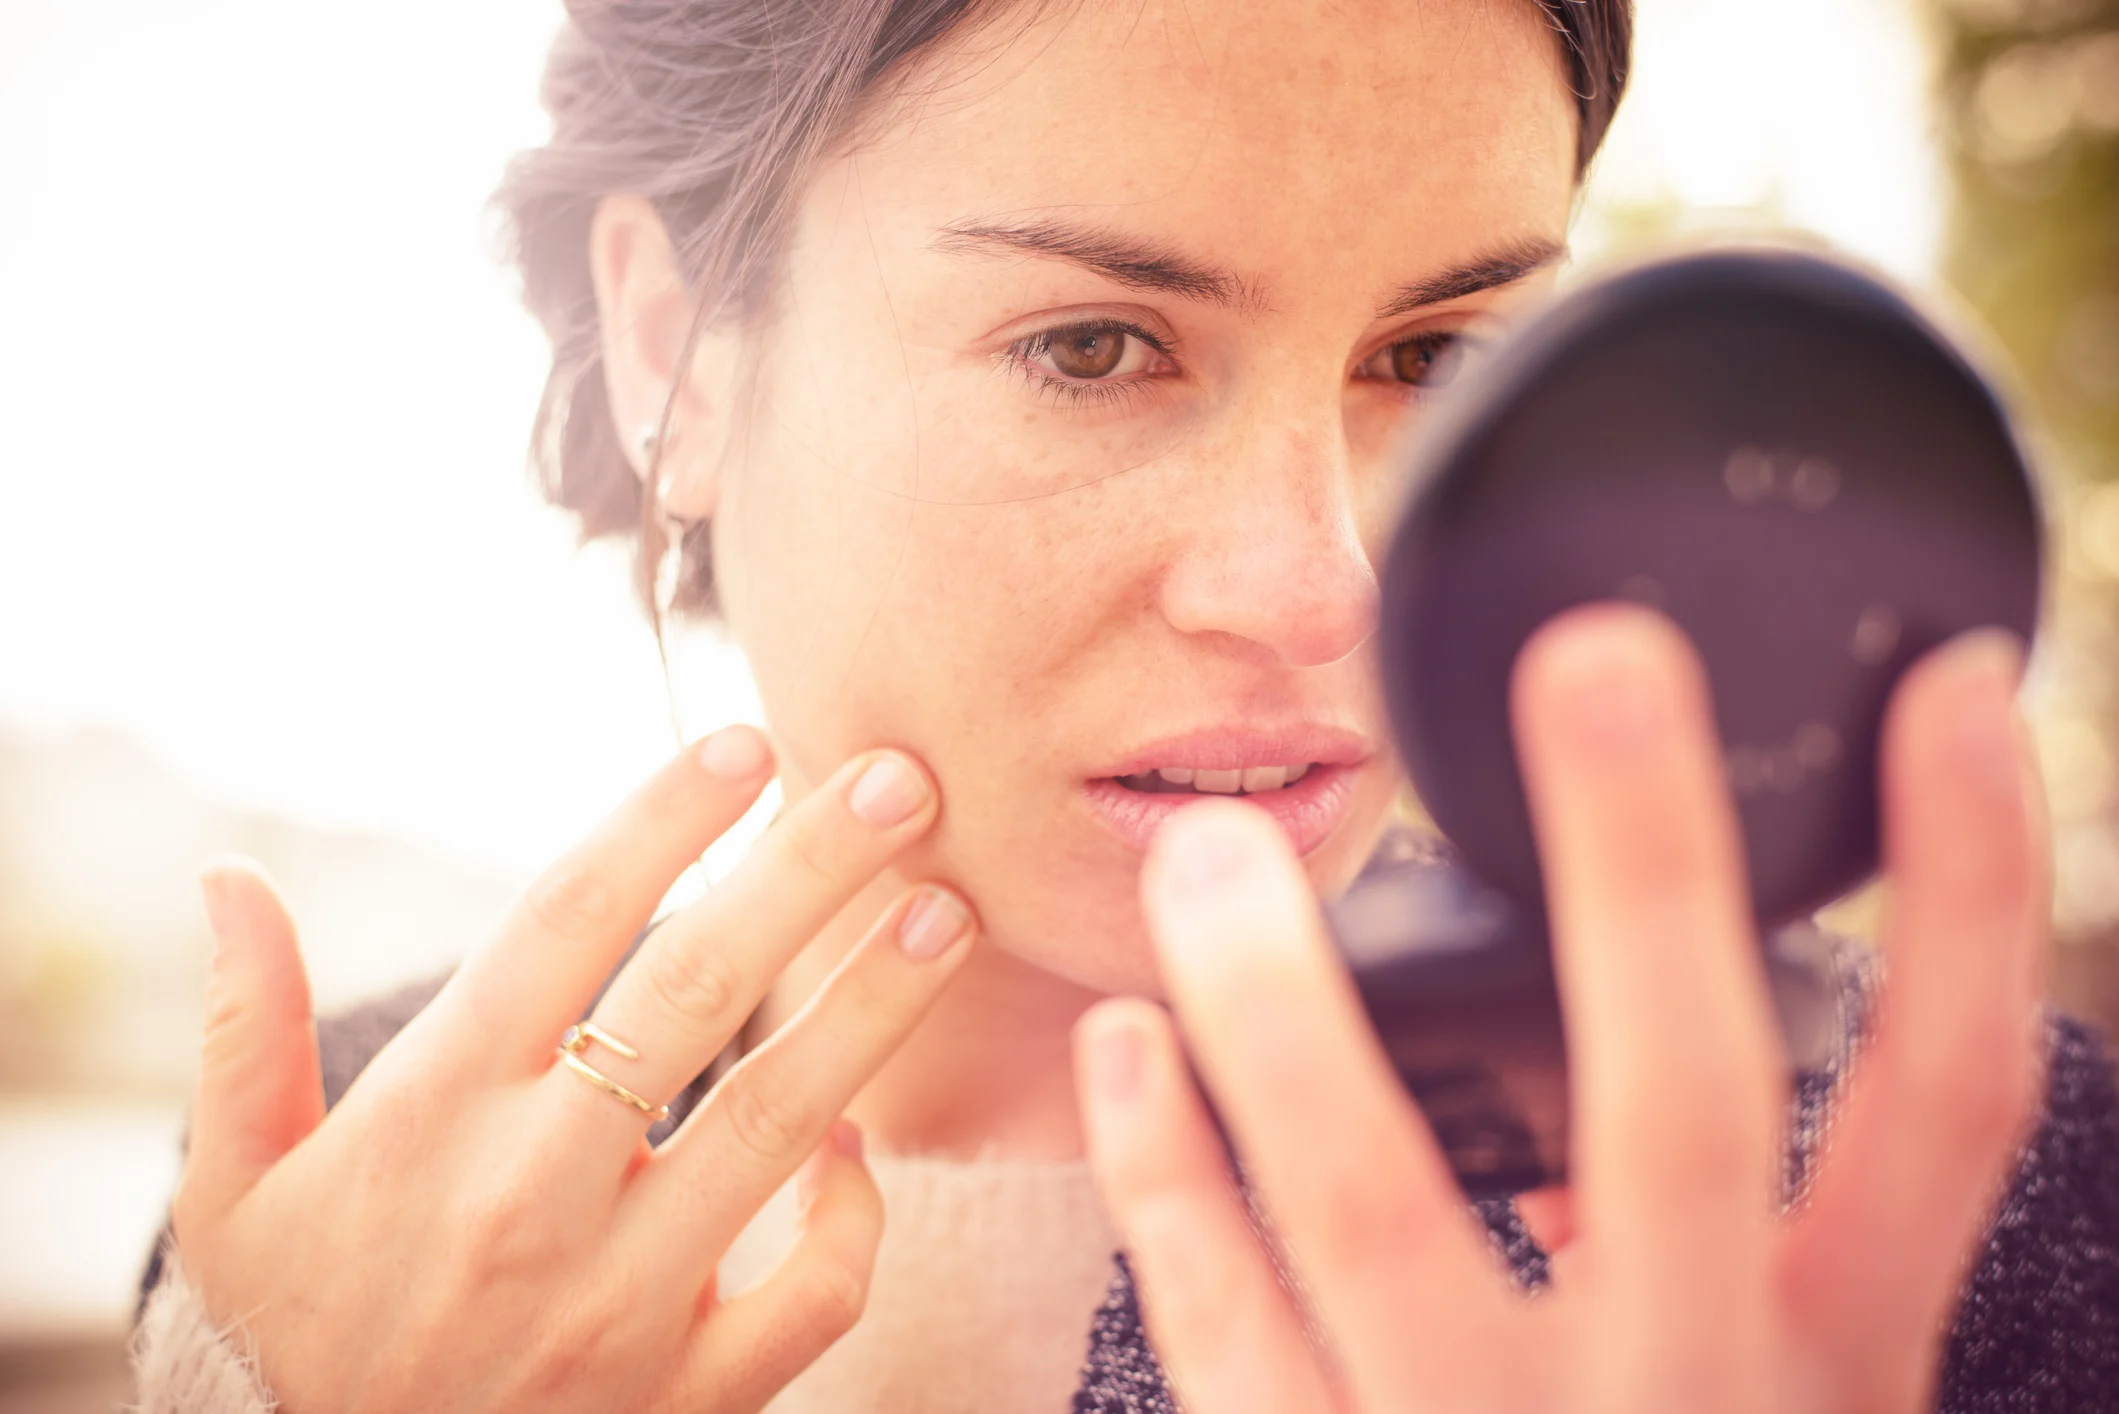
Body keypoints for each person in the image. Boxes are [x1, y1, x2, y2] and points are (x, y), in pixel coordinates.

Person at [130, 0, 2119, 1410]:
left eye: (1435, 352)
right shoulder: (347, 1207)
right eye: (1092, 346)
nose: (1319, 581)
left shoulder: (1961, 1198)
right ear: (677, 350)